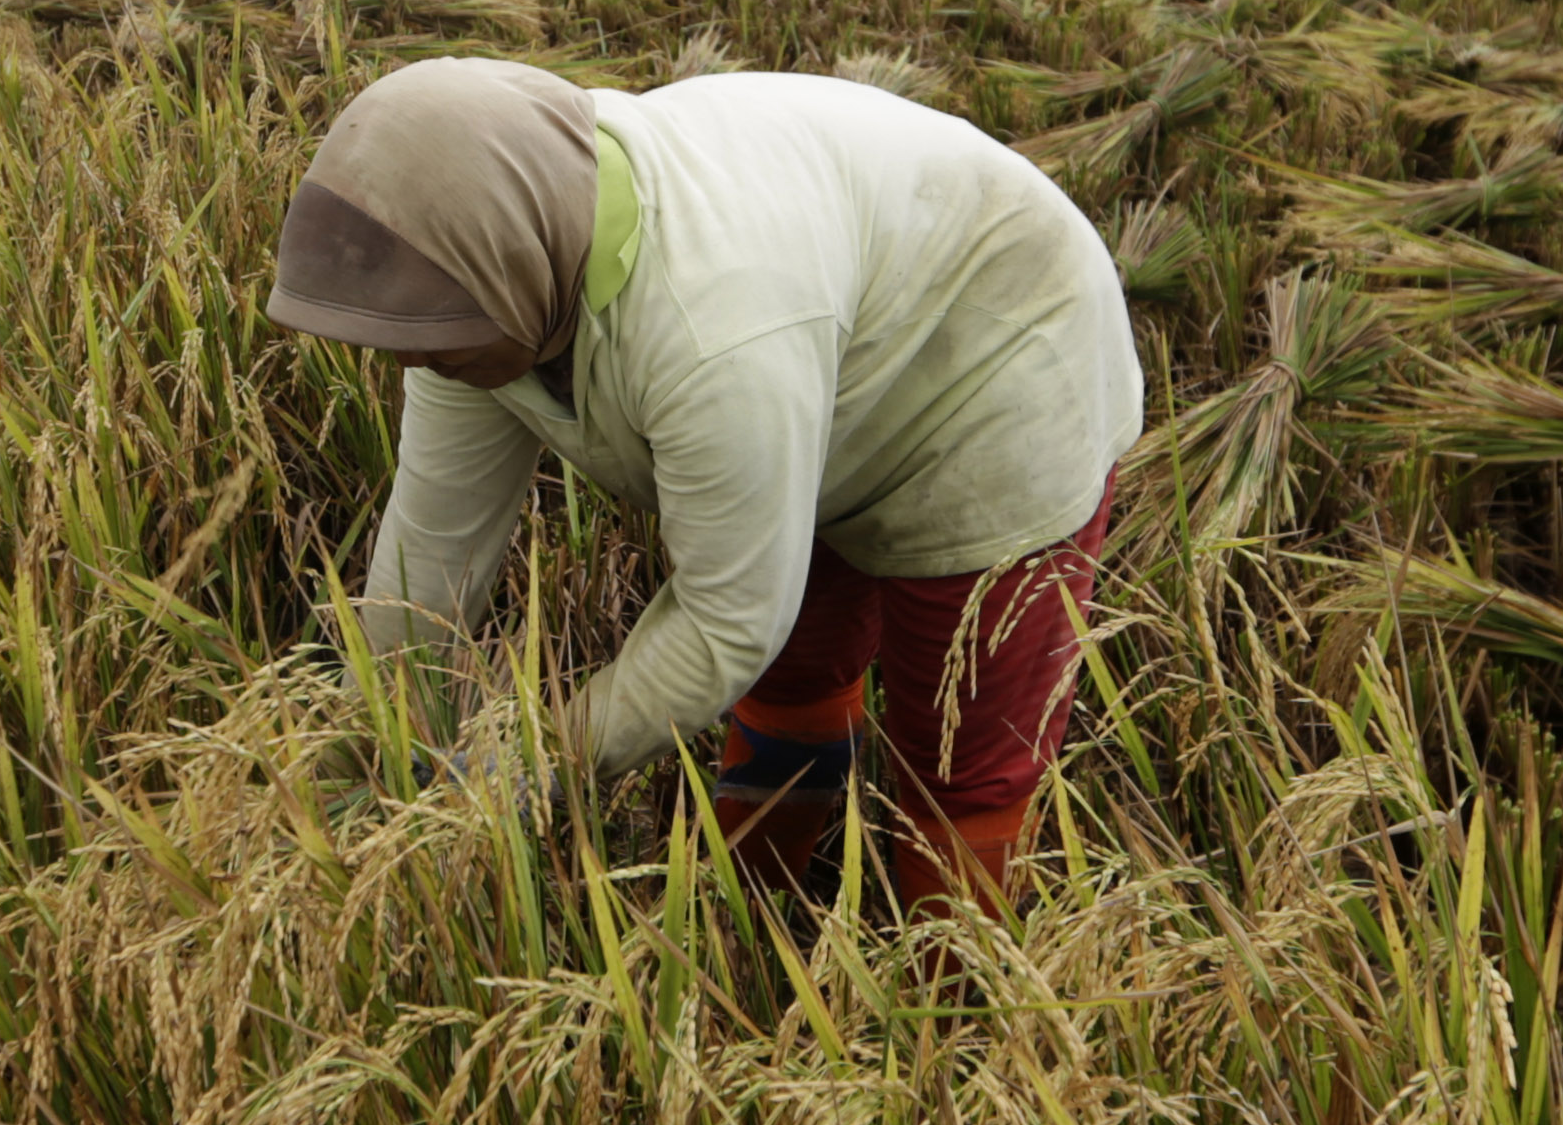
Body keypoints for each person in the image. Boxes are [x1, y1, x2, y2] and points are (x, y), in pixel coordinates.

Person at [268, 57, 1142, 913]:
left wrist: (533, 764)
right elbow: (431, 559)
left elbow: (727, 622)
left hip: (1000, 364)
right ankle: (760, 920)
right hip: (835, 362)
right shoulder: (471, 292)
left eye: (430, 344)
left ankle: (959, 1017)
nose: (413, 364)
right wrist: (362, 748)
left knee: (958, 753)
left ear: (511, 260)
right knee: (793, 678)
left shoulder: (711, 326)